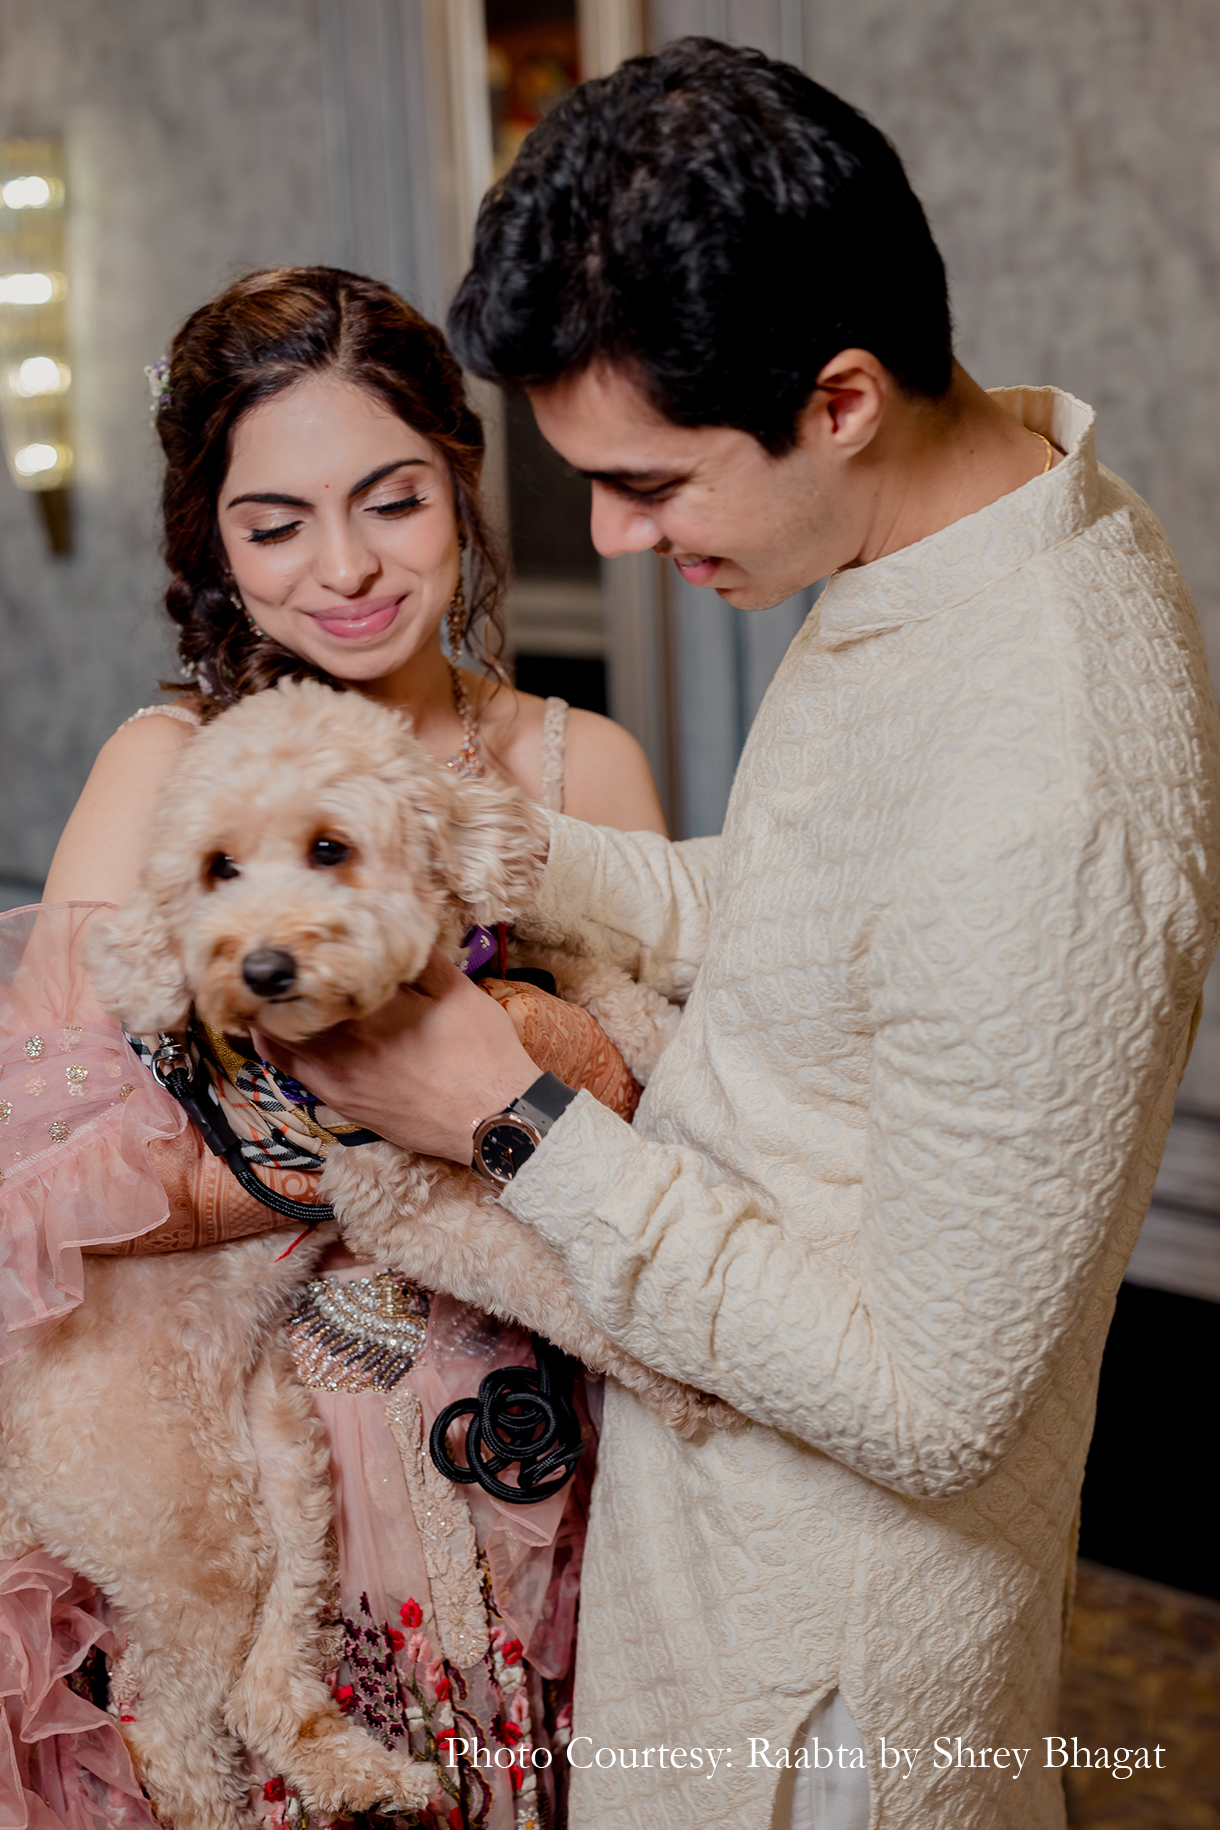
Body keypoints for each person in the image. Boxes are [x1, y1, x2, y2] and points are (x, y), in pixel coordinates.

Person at [254, 40, 1220, 1830]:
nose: (614, 541)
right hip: (705, 1556)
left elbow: (936, 1408)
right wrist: (467, 835)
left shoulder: (1053, 779)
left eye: (653, 483)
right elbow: (799, 911)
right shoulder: (948, 538)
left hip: (818, 1686)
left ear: (842, 396)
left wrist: (512, 1122)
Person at [0, 265, 665, 1830]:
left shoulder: (586, 763)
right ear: (215, 545)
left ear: (462, 481)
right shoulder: (166, 772)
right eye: (276, 521)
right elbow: (39, 1185)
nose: (348, 568)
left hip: (560, 1453)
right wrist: (388, 1133)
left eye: (393, 499)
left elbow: (670, 1118)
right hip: (269, 1458)